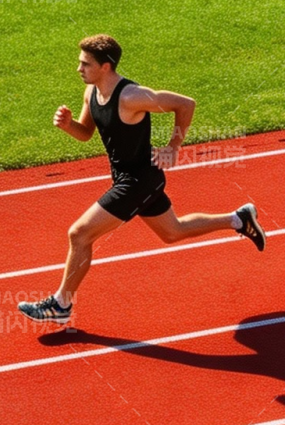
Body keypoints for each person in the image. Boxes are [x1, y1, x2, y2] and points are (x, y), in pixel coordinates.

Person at [18, 35, 265, 326]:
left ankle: (61, 304)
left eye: (85, 64)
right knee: (173, 232)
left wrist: (173, 147)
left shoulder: (131, 96)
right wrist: (68, 125)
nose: (79, 69)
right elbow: (85, 133)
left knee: (79, 234)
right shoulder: (92, 92)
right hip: (127, 178)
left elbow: (186, 104)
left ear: (105, 66)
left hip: (139, 180)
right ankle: (239, 219)